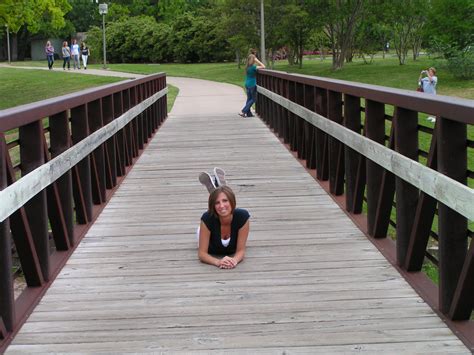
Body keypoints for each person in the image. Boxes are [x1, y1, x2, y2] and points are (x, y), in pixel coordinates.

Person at [197, 168, 250, 269]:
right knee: (218, 205)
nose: (221, 206)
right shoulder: (207, 218)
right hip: (209, 235)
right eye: (217, 203)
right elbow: (202, 254)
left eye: (225, 201)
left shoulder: (242, 217)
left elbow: (241, 251)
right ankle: (216, 190)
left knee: (220, 196)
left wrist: (234, 261)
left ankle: (218, 190)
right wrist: (218, 262)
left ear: (232, 201)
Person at [239, 54, 265, 118]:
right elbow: (263, 66)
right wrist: (257, 61)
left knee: (249, 99)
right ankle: (244, 110)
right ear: (253, 60)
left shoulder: (247, 67)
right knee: (254, 99)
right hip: (252, 85)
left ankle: (248, 114)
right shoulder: (253, 67)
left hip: (247, 84)